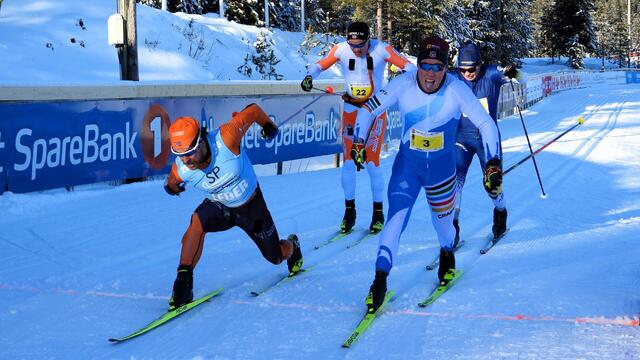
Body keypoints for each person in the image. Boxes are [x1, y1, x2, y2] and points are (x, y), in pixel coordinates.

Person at [351, 36, 502, 313]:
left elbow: (486, 124)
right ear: (418, 65)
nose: (431, 74)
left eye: (437, 67)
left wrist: (492, 161)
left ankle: (447, 254)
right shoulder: (403, 83)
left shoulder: (457, 89)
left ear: (447, 68)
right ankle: (379, 279)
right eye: (425, 66)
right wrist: (359, 140)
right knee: (395, 219)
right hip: (408, 167)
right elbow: (368, 110)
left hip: (442, 173)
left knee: (444, 229)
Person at [163, 104, 303, 310]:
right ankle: (183, 283)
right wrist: (172, 189)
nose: (186, 160)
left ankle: (293, 247)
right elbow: (172, 182)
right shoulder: (182, 168)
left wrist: (268, 125)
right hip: (222, 208)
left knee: (276, 257)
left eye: (190, 152)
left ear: (201, 141)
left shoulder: (226, 138)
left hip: (252, 208)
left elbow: (253, 110)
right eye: (180, 154)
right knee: (197, 221)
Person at [300, 21, 416, 235]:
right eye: (352, 45)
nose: (356, 49)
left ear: (367, 40)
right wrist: (309, 77)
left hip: (374, 110)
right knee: (349, 163)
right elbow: (320, 64)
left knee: (372, 163)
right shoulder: (341, 49)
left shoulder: (381, 49)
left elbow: (410, 68)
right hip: (351, 110)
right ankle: (349, 211)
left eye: (360, 45)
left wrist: (396, 84)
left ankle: (378, 212)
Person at [451, 43, 518, 244]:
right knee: (454, 185)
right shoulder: (454, 78)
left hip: (487, 140)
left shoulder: (491, 74)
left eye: (471, 69)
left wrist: (513, 72)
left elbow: (518, 75)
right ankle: (452, 231)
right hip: (461, 138)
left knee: (492, 184)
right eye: (463, 69)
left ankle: (500, 212)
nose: (467, 73)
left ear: (479, 65)